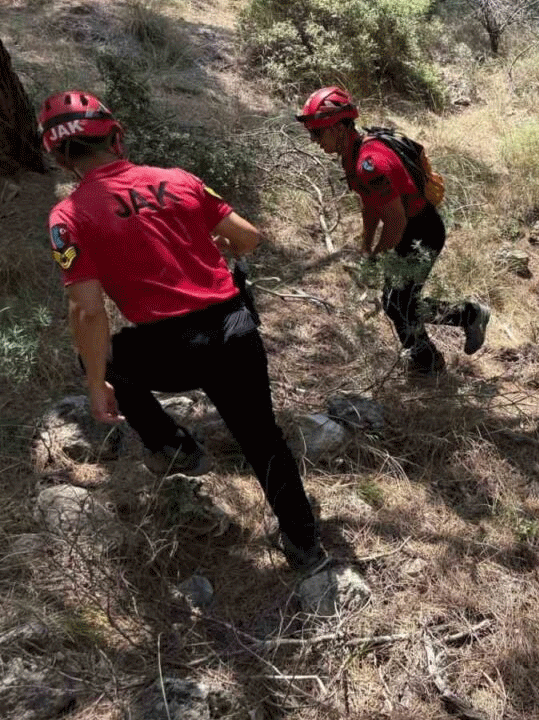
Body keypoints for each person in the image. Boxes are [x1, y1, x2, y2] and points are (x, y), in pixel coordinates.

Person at [39, 90, 326, 573]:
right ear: (115, 136)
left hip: (169, 347)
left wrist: (96, 386)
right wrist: (209, 242)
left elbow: (87, 312)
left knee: (97, 358)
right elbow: (249, 238)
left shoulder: (67, 219)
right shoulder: (178, 179)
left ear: (62, 159)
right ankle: (306, 546)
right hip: (235, 330)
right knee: (262, 439)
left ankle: (175, 445)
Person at [295, 86, 489, 373]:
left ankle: (455, 331)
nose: (314, 141)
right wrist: (366, 244)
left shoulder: (369, 163)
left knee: (397, 302)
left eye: (317, 133)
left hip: (422, 232)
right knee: (398, 301)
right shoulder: (354, 154)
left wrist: (377, 256)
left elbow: (396, 221)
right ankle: (439, 346)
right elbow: (371, 203)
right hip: (411, 231)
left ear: (337, 127)